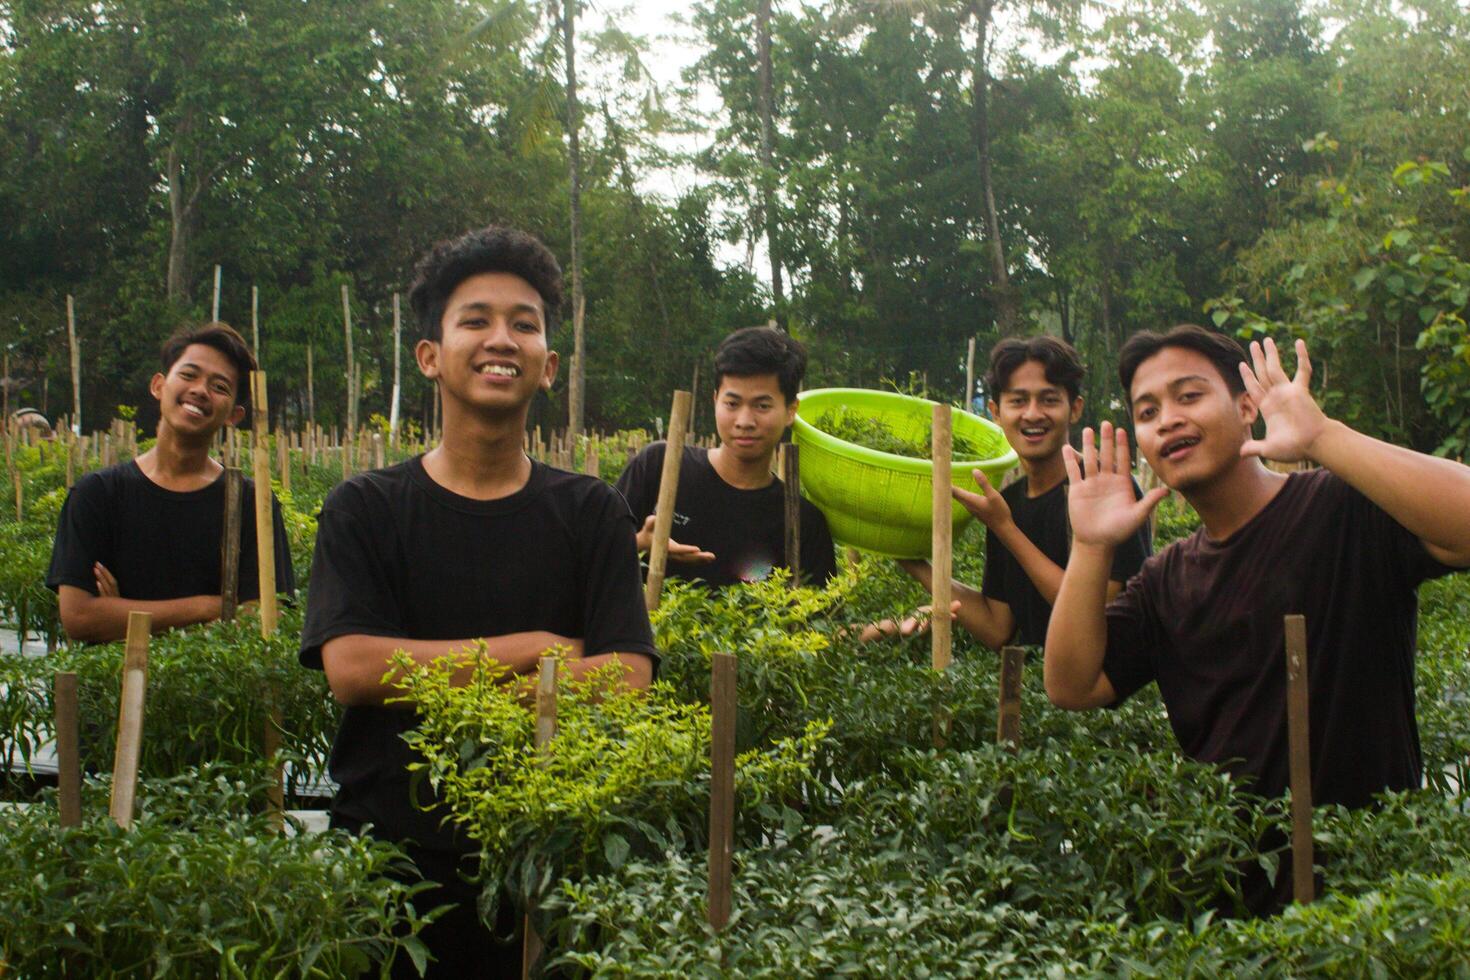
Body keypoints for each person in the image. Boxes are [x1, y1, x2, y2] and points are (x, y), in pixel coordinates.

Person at [299, 225, 657, 978]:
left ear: (549, 366)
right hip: (390, 863)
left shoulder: (591, 512)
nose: (503, 339)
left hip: (548, 858)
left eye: (523, 324)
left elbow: (626, 675)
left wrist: (446, 683)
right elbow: (355, 668)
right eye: (476, 320)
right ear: (429, 355)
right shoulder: (364, 507)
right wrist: (534, 651)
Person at [1045, 324, 1470, 910]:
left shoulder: (1340, 508)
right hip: (1230, 899)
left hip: (1375, 896)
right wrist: (1091, 547)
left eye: (1189, 396)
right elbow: (1071, 685)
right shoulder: (1165, 580)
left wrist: (1323, 437)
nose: (1167, 418)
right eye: (1148, 411)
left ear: (1247, 406)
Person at [884, 337, 1150, 646]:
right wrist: (911, 560)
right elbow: (997, 627)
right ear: (996, 412)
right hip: (1035, 686)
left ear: (1075, 409)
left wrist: (1005, 528)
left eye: (1049, 400)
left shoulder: (1108, 491)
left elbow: (1097, 613)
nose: (1033, 414)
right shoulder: (1007, 503)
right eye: (1018, 401)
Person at [46, 323, 294, 643]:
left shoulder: (251, 502)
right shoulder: (97, 494)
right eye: (189, 375)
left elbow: (263, 622)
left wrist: (121, 612)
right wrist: (211, 607)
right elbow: (79, 618)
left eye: (220, 387)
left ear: (234, 415)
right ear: (158, 385)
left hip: (211, 693)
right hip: (112, 690)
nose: (200, 391)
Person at [615, 325, 837, 589]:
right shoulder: (658, 467)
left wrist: (887, 626)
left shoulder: (803, 523)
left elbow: (822, 623)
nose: (744, 421)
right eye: (732, 404)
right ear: (715, 400)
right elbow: (588, 558)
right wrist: (639, 543)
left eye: (762, 406)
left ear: (790, 410)